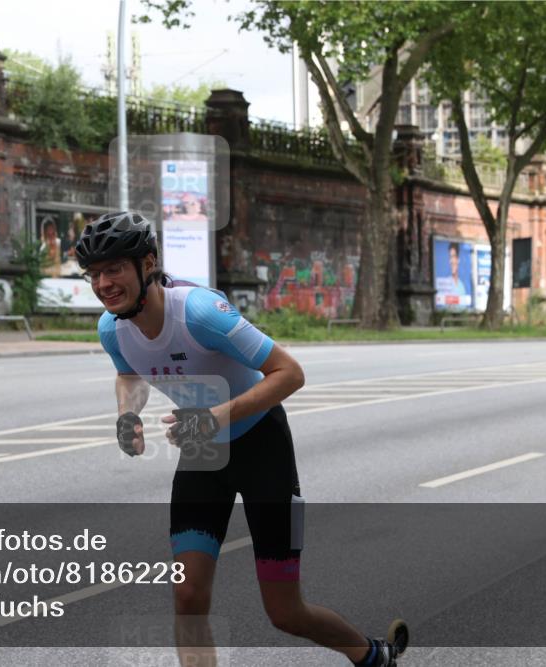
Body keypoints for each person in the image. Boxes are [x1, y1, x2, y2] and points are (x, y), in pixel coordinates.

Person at [76, 211, 408, 667]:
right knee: (188, 594)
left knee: (285, 612)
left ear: (147, 262)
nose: (103, 284)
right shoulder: (110, 328)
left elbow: (290, 373)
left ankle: (371, 655)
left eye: (114, 269)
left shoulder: (198, 312)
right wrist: (126, 414)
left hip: (261, 447)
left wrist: (216, 417)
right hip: (203, 452)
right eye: (93, 274)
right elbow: (129, 374)